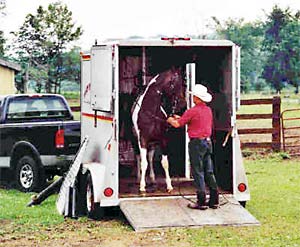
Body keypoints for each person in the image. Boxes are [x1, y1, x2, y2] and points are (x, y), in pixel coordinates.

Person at [167, 84, 219, 210]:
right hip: (207, 143)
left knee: (197, 171)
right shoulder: (208, 110)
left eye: (193, 96)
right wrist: (182, 118)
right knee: (209, 171)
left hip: (196, 144)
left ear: (196, 98)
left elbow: (177, 125)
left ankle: (201, 201)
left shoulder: (192, 111)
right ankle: (214, 200)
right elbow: (193, 120)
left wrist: (169, 119)